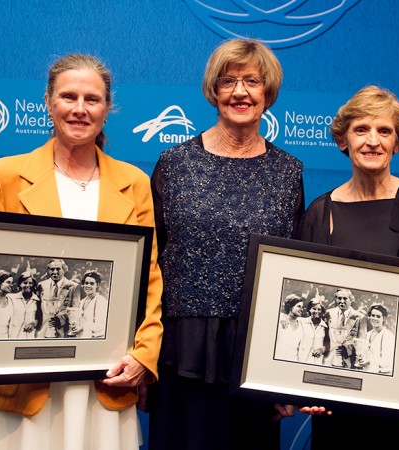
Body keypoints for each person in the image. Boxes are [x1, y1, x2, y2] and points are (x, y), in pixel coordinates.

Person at [0, 53, 163, 450]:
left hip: (104, 379)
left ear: (107, 108)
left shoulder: (133, 183)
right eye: (69, 97)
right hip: (23, 383)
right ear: (48, 102)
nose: (80, 109)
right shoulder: (7, 174)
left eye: (93, 99)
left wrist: (144, 354)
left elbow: (150, 281)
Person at [147, 38, 302, 450]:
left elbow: (295, 276)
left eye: (252, 81)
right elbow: (149, 266)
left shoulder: (289, 172)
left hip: (255, 354)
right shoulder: (174, 163)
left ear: (268, 92)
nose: (240, 92)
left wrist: (288, 372)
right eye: (228, 81)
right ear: (213, 91)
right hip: (183, 351)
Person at [298, 85, 399, 449]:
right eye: (361, 130)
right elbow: (315, 309)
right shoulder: (320, 213)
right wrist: (304, 380)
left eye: (384, 131)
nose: (373, 141)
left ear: (398, 141)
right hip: (337, 404)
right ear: (343, 141)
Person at [38, 259, 82, 338]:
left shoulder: (73, 286)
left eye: (58, 269)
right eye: (52, 269)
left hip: (63, 332)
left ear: (64, 270)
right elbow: (38, 310)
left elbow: (75, 311)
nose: (55, 272)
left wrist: (61, 320)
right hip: (44, 332)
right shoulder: (42, 285)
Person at [323, 288, 365, 367]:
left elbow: (362, 343)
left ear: (351, 299)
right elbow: (325, 336)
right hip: (330, 360)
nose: (342, 301)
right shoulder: (329, 313)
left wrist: (348, 351)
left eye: (345, 298)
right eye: (339, 298)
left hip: (349, 362)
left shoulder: (360, 317)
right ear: (336, 299)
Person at [354, 304, 395, 374]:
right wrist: (362, 359)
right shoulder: (369, 334)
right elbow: (368, 354)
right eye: (373, 315)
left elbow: (389, 360)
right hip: (368, 372)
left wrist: (369, 361)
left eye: (378, 316)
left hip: (381, 374)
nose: (375, 318)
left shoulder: (388, 336)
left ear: (384, 318)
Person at [72, 270, 109, 338]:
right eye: (86, 283)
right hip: (81, 338)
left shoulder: (101, 301)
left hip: (94, 339)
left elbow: (101, 325)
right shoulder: (82, 302)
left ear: (97, 285)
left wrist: (83, 328)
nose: (88, 286)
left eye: (92, 283)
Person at [7, 270, 43, 339]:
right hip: (14, 335)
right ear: (20, 284)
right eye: (25, 283)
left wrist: (33, 324)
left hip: (30, 335)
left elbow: (39, 317)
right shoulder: (11, 298)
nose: (28, 285)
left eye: (30, 283)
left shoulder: (37, 300)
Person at [297, 298, 329, 364]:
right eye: (314, 309)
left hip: (317, 361)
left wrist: (322, 350)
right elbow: (289, 318)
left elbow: (328, 344)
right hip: (302, 359)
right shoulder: (302, 322)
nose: (316, 311)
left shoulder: (325, 327)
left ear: (322, 312)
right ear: (309, 310)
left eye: (319, 309)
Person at [274, 294, 304, 362]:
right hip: (278, 359)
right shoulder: (279, 321)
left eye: (302, 307)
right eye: (299, 306)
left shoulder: (302, 323)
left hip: (294, 360)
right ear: (290, 307)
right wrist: (281, 317)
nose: (301, 309)